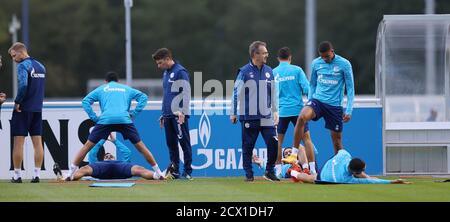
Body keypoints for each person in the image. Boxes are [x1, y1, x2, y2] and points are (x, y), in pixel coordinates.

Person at [65, 71, 166, 181]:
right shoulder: (126, 88)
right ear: (118, 81)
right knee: (141, 147)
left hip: (105, 120)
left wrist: (94, 117)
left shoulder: (102, 88)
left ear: (106, 81)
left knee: (87, 147)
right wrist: (134, 114)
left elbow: (85, 101)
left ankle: (70, 173)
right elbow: (144, 97)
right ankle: (158, 172)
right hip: (124, 119)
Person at [284, 41, 355, 165]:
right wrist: (310, 100)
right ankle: (294, 154)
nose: (325, 59)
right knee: (301, 117)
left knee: (337, 142)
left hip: (334, 106)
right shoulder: (316, 63)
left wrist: (349, 110)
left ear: (332, 52)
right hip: (318, 101)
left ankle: (340, 168)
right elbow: (312, 84)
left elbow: (350, 88)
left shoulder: (344, 64)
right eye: (322, 57)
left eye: (327, 56)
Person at [231, 41, 279, 182]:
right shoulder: (244, 72)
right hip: (249, 116)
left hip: (266, 116)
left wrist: (275, 111)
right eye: (264, 53)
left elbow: (273, 92)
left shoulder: (269, 71)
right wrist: (233, 112)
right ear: (255, 54)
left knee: (273, 143)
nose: (267, 55)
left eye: (266, 52)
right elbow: (236, 92)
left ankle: (269, 171)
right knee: (248, 146)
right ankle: (249, 174)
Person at [273, 47, 316, 174]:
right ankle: (312, 170)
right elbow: (308, 90)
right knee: (307, 139)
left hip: (281, 112)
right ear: (290, 57)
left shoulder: (273, 72)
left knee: (278, 141)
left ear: (278, 59)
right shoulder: (297, 70)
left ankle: (278, 170)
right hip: (297, 111)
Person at [152, 48, 193, 180]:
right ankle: (175, 171)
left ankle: (187, 172)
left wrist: (183, 111)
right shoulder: (166, 73)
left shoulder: (180, 72)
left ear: (167, 59)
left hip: (178, 116)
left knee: (184, 143)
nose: (158, 66)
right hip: (168, 115)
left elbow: (186, 93)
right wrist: (163, 113)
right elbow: (167, 95)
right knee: (171, 144)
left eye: (160, 63)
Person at [8, 42, 46, 183]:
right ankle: (37, 174)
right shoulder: (41, 66)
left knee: (18, 143)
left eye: (13, 56)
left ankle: (17, 175)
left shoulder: (23, 66)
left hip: (23, 109)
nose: (13, 59)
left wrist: (17, 101)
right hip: (37, 108)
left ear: (20, 52)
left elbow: (23, 85)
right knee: (38, 143)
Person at [286, 149, 411, 184]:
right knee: (309, 179)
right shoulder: (347, 180)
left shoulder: (345, 154)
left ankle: (292, 171)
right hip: (325, 177)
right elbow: (371, 181)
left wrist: (334, 161)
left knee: (308, 177)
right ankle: (292, 172)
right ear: (354, 173)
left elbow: (339, 151)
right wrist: (392, 181)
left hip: (329, 164)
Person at [67, 152, 172, 181]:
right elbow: (93, 150)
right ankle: (69, 176)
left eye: (110, 155)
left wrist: (114, 141)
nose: (108, 156)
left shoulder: (121, 161)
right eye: (106, 156)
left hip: (120, 168)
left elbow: (126, 151)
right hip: (101, 169)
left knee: (139, 169)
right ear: (103, 159)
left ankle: (157, 175)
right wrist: (101, 139)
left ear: (114, 157)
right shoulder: (98, 162)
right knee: (84, 169)